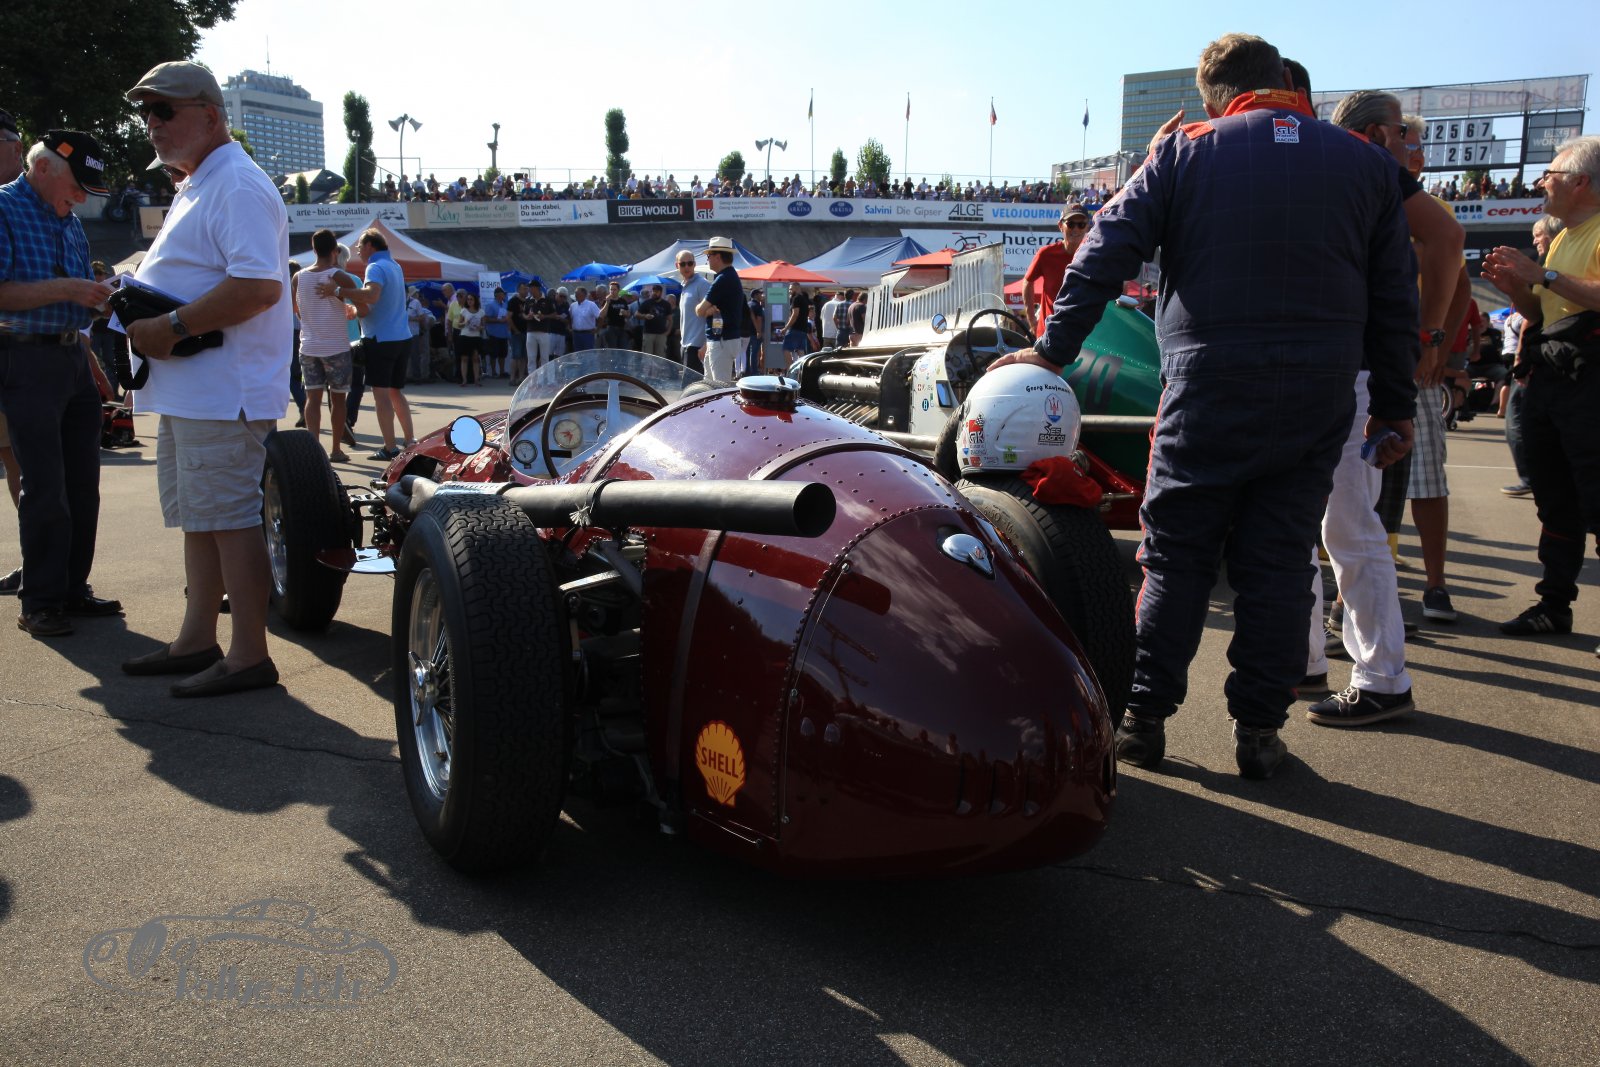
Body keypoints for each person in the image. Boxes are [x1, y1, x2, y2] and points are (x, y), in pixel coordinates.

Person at [996, 33, 1417, 779]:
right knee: (1280, 562)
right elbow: (1394, 298)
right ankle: (1259, 731)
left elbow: (1103, 251)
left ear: (1217, 98)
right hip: (1318, 393)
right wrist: (1393, 404)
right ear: (1282, 82)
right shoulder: (1364, 164)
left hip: (1208, 384)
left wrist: (1052, 351)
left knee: (1177, 556)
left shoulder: (1187, 151)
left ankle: (1143, 719)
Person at [120, 61, 291, 695]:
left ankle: (249, 654)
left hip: (222, 392)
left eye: (164, 110)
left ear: (211, 116)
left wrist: (170, 326)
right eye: (147, 112)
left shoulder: (234, 184)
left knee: (230, 519)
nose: (152, 123)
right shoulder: (204, 181)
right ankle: (197, 638)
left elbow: (258, 287)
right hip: (198, 390)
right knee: (203, 518)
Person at [1299, 89, 1464, 727]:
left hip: (1353, 369)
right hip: (1341, 367)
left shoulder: (1355, 165)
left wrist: (1431, 336)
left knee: (1345, 525)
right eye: (1403, 132)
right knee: (1314, 523)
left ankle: (1381, 677)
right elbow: (1445, 237)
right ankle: (1311, 660)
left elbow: (1446, 236)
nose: (1410, 144)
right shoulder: (1357, 162)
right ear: (1375, 132)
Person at [0, 129, 120, 637]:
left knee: (82, 485)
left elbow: (78, 297)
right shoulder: (4, 207)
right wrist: (71, 289)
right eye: (76, 187)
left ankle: (71, 588)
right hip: (25, 358)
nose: (81, 198)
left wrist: (103, 302)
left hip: (70, 355)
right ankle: (41, 601)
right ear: (43, 167)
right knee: (46, 485)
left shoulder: (67, 219)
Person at [1483, 136, 1600, 645]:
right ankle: (1554, 606)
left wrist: (1543, 274)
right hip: (1554, 380)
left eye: (1549, 174)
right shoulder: (1564, 236)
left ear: (1581, 182)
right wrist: (1518, 290)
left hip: (1591, 384)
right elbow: (1540, 312)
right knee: (1554, 500)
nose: (1541, 183)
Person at [320, 229, 414, 460]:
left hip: (381, 339)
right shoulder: (394, 265)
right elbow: (377, 304)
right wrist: (357, 310)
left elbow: (371, 295)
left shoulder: (375, 266)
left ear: (371, 245)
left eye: (360, 246)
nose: (358, 250)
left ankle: (390, 448)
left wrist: (339, 291)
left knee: (381, 395)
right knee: (395, 392)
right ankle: (410, 440)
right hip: (402, 336)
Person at [1501, 216, 1562, 497]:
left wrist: (1519, 360)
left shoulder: (1549, 267)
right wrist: (1515, 289)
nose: (1535, 240)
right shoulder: (1545, 265)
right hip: (1544, 359)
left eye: (1538, 234)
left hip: (1553, 361)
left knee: (1518, 420)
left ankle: (1532, 478)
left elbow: (1531, 321)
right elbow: (1535, 313)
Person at [293, 229, 360, 462]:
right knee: (338, 399)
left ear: (313, 249)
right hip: (336, 346)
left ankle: (314, 448)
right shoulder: (338, 275)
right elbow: (360, 300)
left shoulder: (298, 277)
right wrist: (348, 309)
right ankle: (335, 449)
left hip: (309, 345)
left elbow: (297, 310)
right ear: (335, 251)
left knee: (312, 399)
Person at [1022, 204, 1092, 337]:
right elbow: (1027, 281)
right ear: (1060, 226)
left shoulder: (1093, 257)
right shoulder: (1046, 254)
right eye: (1070, 224)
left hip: (1081, 335)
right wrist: (1031, 320)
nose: (1076, 229)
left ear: (1087, 227)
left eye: (1081, 225)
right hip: (1048, 333)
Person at [696, 236, 747, 381]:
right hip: (722, 339)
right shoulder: (729, 276)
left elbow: (699, 310)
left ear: (717, 257)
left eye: (709, 256)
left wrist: (706, 310)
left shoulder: (723, 279)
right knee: (711, 386)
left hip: (722, 340)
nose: (707, 259)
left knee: (719, 387)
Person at [674, 252, 709, 371]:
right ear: (677, 265)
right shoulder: (685, 286)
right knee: (688, 382)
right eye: (683, 264)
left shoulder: (702, 284)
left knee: (695, 383)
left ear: (694, 264)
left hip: (698, 347)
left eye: (690, 263)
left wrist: (707, 344)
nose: (687, 267)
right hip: (686, 345)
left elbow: (714, 315)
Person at [455, 291, 484, 385]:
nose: (469, 301)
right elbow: (458, 324)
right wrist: (465, 322)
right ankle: (464, 380)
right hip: (465, 336)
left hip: (475, 337)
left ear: (475, 300)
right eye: (468, 299)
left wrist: (480, 327)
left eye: (471, 299)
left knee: (475, 358)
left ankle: (476, 379)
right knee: (464, 358)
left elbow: (483, 325)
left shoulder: (481, 312)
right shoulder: (464, 311)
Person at [480, 285, 510, 379]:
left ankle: (502, 371)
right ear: (497, 295)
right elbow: (486, 319)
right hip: (494, 333)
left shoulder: (505, 305)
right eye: (503, 294)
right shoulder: (490, 305)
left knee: (503, 354)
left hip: (504, 333)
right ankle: (493, 372)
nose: (504, 295)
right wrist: (498, 320)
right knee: (493, 354)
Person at [637, 284, 671, 358]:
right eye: (653, 291)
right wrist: (645, 316)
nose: (654, 293)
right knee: (647, 356)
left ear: (661, 293)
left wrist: (668, 331)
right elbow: (637, 314)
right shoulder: (647, 302)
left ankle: (658, 367)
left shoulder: (666, 304)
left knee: (660, 357)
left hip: (661, 334)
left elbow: (670, 319)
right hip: (648, 333)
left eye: (657, 291)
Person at [598, 280, 633, 349]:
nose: (612, 291)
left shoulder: (622, 301)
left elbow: (629, 314)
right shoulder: (606, 301)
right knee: (612, 349)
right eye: (611, 289)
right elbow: (601, 315)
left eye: (614, 289)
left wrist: (625, 313)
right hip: (611, 328)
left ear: (618, 290)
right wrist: (607, 302)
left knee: (623, 349)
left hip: (622, 328)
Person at [781, 282, 811, 362]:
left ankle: (789, 368)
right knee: (800, 350)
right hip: (803, 329)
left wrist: (786, 328)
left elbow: (795, 314)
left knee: (786, 349)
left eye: (791, 289)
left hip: (795, 328)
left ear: (797, 288)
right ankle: (801, 369)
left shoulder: (796, 298)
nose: (789, 291)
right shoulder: (804, 299)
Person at [568, 286, 600, 350]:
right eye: (575, 293)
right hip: (576, 334)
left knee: (588, 353)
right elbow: (570, 317)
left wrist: (597, 329)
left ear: (584, 295)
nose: (576, 295)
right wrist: (569, 328)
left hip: (588, 334)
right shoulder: (572, 306)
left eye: (577, 293)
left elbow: (600, 317)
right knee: (577, 354)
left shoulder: (591, 305)